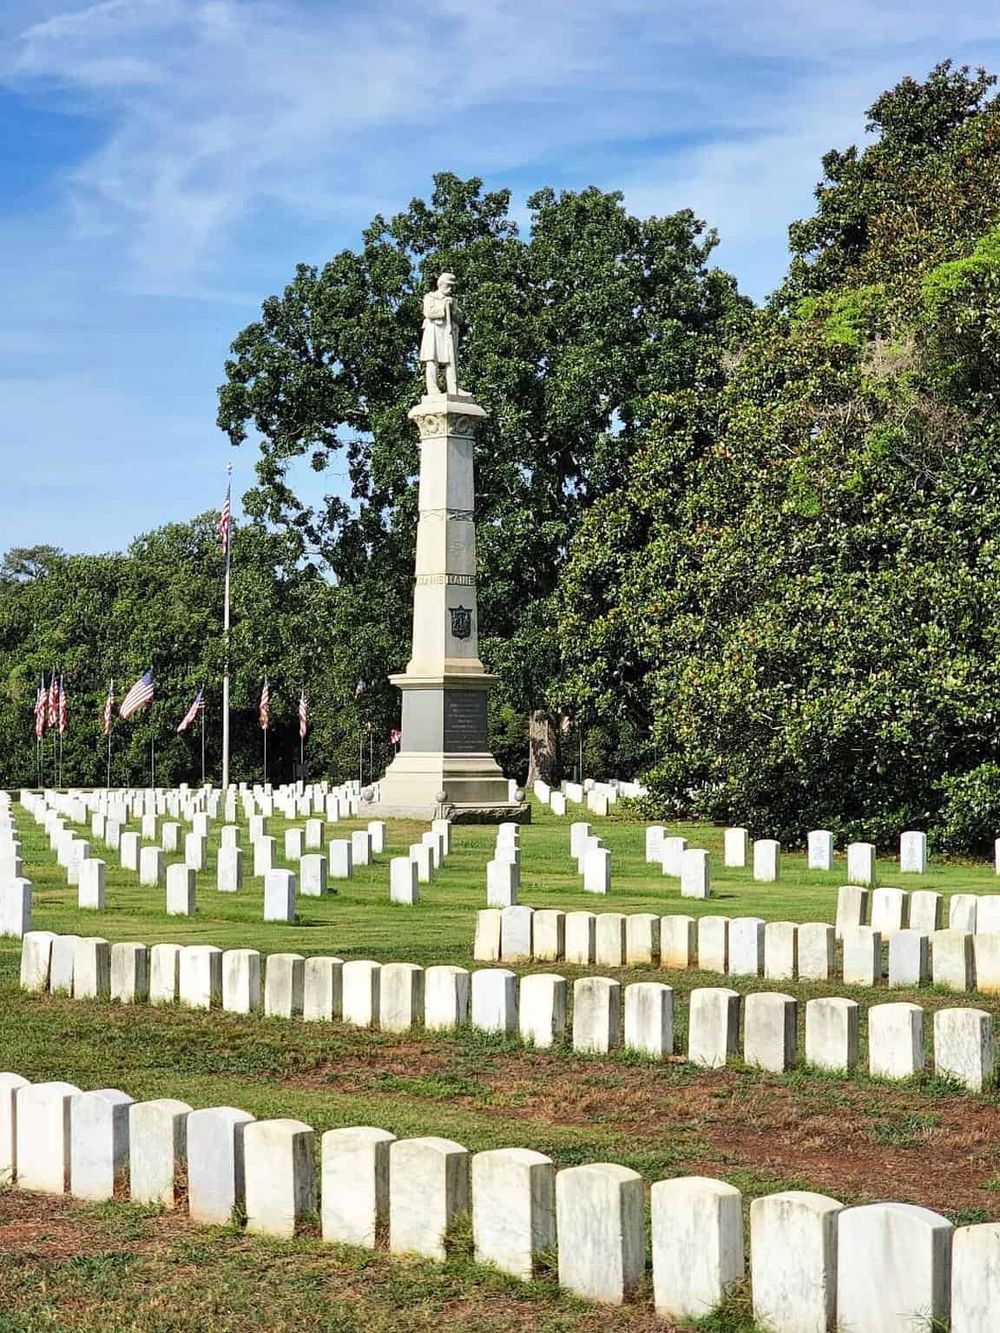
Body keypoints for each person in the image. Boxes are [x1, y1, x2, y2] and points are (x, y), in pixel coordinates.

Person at [420, 272, 463, 395]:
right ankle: (432, 388)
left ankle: (453, 388)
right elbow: (428, 312)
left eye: (452, 286)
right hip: (434, 331)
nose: (450, 289)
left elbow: (460, 318)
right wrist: (444, 308)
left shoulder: (453, 301)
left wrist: (453, 309)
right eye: (448, 285)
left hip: (448, 332)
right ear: (441, 284)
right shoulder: (430, 297)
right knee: (432, 360)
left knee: (451, 361)